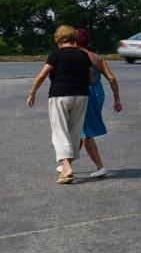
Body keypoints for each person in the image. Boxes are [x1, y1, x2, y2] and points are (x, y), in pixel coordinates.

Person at [26, 25, 93, 183]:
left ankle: (67, 168)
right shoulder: (84, 55)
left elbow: (43, 74)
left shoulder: (56, 54)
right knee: (75, 131)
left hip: (60, 95)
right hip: (81, 95)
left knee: (59, 131)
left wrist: (32, 93)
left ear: (59, 39)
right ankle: (66, 166)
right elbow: (91, 79)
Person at [73, 28, 122, 177]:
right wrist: (117, 99)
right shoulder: (97, 58)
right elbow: (112, 79)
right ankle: (67, 163)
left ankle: (100, 166)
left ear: (74, 41)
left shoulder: (75, 56)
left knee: (85, 131)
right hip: (98, 93)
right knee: (81, 130)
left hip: (83, 93)